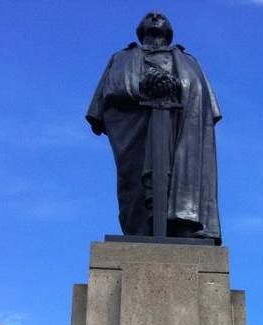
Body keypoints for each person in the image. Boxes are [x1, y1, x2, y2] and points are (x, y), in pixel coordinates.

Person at [86, 10, 222, 242]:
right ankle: (142, 228)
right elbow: (108, 95)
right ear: (140, 30)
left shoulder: (188, 61)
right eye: (149, 15)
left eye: (160, 16)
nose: (156, 14)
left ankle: (183, 223)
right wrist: (143, 87)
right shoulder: (122, 58)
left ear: (169, 31)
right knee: (136, 188)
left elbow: (204, 103)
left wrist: (174, 86)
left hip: (180, 131)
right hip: (136, 130)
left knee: (179, 179)